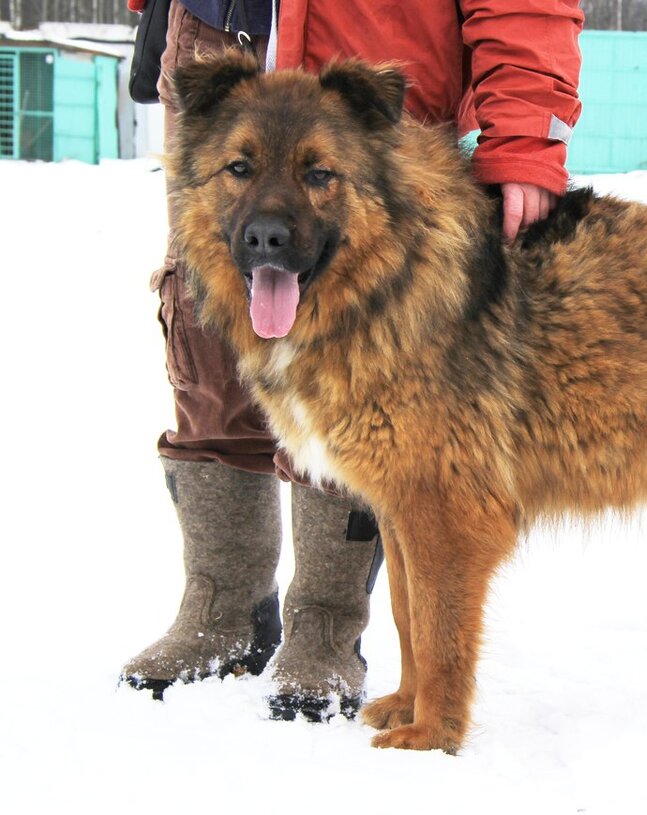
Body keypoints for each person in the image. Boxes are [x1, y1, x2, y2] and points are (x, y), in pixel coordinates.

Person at [120, 0, 584, 721]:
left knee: (362, 377)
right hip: (214, 37)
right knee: (207, 343)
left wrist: (525, 130)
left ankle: (326, 626)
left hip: (369, 47)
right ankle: (221, 606)